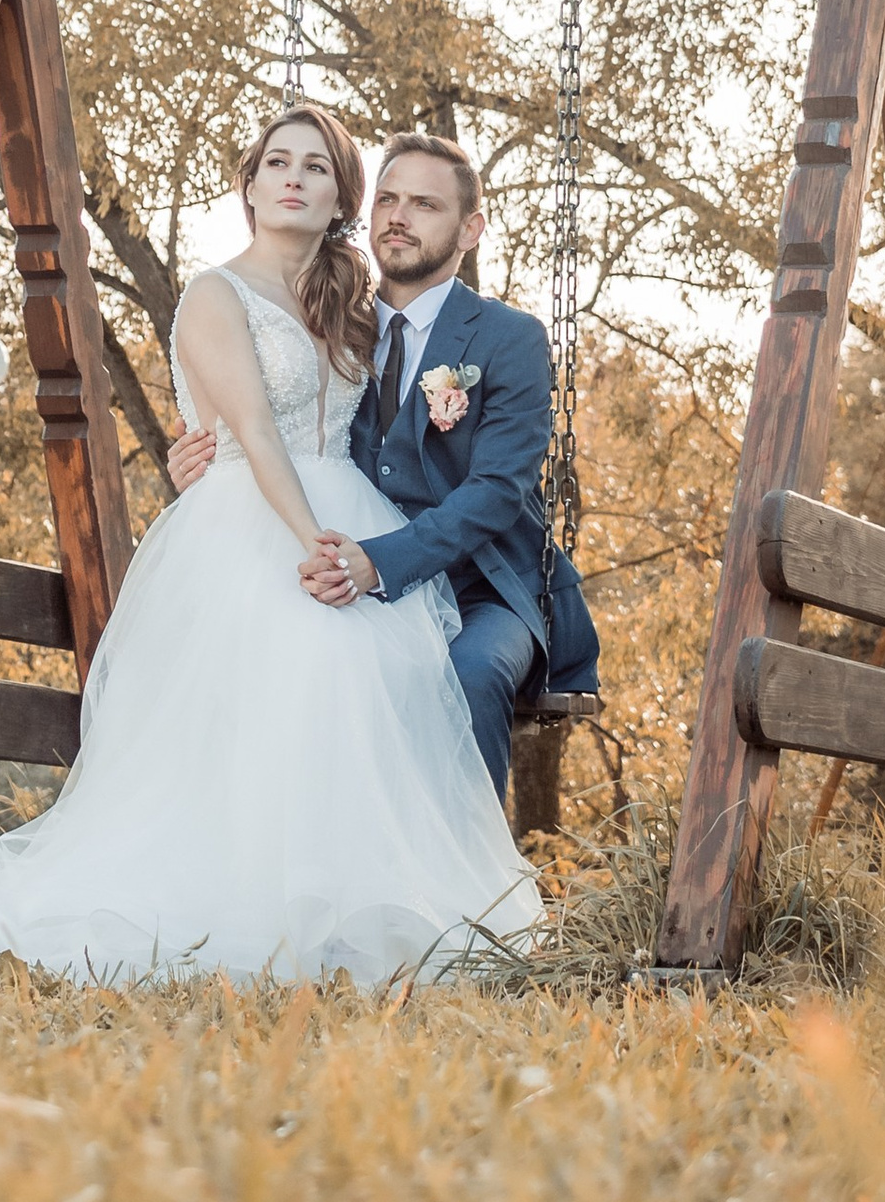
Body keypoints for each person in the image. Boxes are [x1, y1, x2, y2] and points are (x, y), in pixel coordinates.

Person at [0, 105, 537, 986]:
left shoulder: (350, 303)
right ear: (250, 183)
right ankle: (254, 911)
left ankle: (360, 910)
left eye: (316, 167)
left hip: (365, 530)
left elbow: (381, 436)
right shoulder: (217, 294)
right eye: (277, 163)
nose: (294, 179)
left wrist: (342, 543)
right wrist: (306, 535)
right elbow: (255, 431)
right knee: (287, 687)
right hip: (277, 529)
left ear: (341, 195)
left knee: (360, 702)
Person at [169, 131, 600, 804]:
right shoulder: (334, 320)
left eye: (425, 204)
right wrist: (208, 461)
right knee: (301, 668)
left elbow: (497, 491)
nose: (399, 217)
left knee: (468, 673)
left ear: (470, 229)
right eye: (389, 200)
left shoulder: (508, 338)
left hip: (482, 588)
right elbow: (283, 426)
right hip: (353, 574)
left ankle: (469, 865)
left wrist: (380, 562)